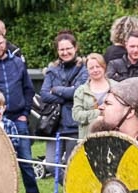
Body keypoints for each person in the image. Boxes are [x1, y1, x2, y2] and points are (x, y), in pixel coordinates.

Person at [0, 28, 46, 193]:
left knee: (25, 159)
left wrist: (25, 112)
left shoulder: (17, 63)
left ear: (5, 42)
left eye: (0, 43)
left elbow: (28, 89)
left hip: (18, 117)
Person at [40, 31, 88, 181]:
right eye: (62, 49)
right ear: (57, 51)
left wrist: (57, 90)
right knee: (50, 165)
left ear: (75, 48)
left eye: (68, 48)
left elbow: (79, 93)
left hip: (73, 124)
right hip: (53, 125)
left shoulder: (84, 69)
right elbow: (44, 94)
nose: (65, 52)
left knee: (71, 165)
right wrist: (67, 95)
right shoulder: (52, 70)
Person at [72, 53, 115, 140]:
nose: (95, 70)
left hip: (113, 135)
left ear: (104, 66)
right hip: (88, 138)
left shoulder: (116, 86)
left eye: (98, 66)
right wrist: (97, 113)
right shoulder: (81, 91)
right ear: (87, 70)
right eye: (91, 68)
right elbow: (76, 115)